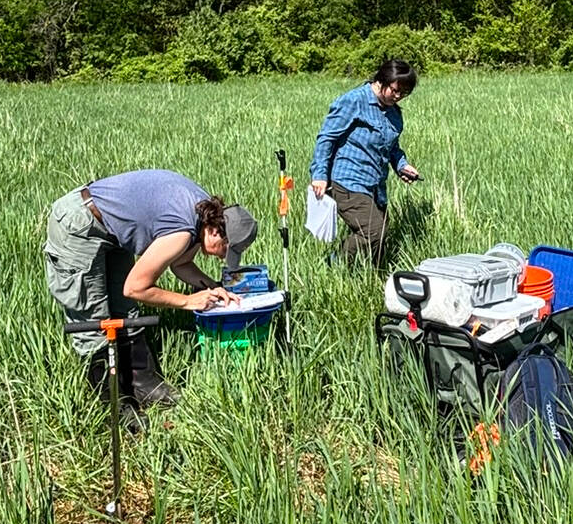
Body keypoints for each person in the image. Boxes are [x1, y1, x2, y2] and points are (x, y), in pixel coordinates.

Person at [44, 170, 257, 421]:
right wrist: (188, 301)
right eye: (225, 250)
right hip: (78, 224)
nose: (222, 257)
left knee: (126, 311)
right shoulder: (184, 229)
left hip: (109, 229)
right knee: (93, 320)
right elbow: (136, 287)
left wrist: (210, 287)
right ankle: (114, 407)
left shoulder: (202, 211)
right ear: (214, 231)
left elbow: (181, 264)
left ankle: (145, 386)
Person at [309, 57, 422, 268]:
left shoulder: (394, 113)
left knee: (381, 239)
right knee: (373, 231)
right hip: (347, 179)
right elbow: (327, 137)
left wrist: (401, 166)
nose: (397, 96)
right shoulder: (354, 101)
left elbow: (392, 147)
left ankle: (373, 279)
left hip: (375, 185)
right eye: (395, 90)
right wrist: (319, 174)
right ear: (382, 80)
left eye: (403, 94)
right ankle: (333, 263)